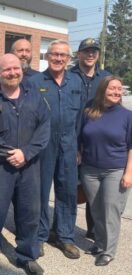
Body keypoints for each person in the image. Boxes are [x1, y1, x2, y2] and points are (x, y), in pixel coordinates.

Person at [0, 54, 50, 275]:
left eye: (15, 68)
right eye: (6, 70)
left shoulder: (35, 98)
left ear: (22, 70)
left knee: (29, 213)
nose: (12, 73)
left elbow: (44, 128)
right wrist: (12, 154)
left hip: (28, 166)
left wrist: (25, 154)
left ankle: (27, 256)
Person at [29, 39, 83, 259]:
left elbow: (80, 118)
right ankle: (40, 236)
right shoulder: (34, 82)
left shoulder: (76, 82)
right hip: (43, 145)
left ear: (69, 59)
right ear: (47, 56)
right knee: (40, 192)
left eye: (63, 55)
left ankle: (65, 237)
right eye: (54, 54)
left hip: (69, 144)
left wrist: (79, 146)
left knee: (68, 191)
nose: (58, 58)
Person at [79, 76, 132, 266]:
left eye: (119, 89)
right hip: (90, 170)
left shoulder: (127, 116)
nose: (116, 92)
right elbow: (82, 138)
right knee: (96, 210)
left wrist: (129, 173)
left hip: (115, 170)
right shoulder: (90, 112)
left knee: (111, 210)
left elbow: (131, 147)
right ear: (103, 90)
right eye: (112, 89)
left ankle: (109, 251)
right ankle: (100, 244)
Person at [70, 38, 111, 241]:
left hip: (96, 142)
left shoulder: (106, 79)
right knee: (68, 187)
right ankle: (61, 229)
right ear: (79, 54)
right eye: (86, 51)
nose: (91, 54)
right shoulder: (68, 77)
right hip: (70, 139)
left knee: (96, 190)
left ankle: (93, 229)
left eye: (94, 51)